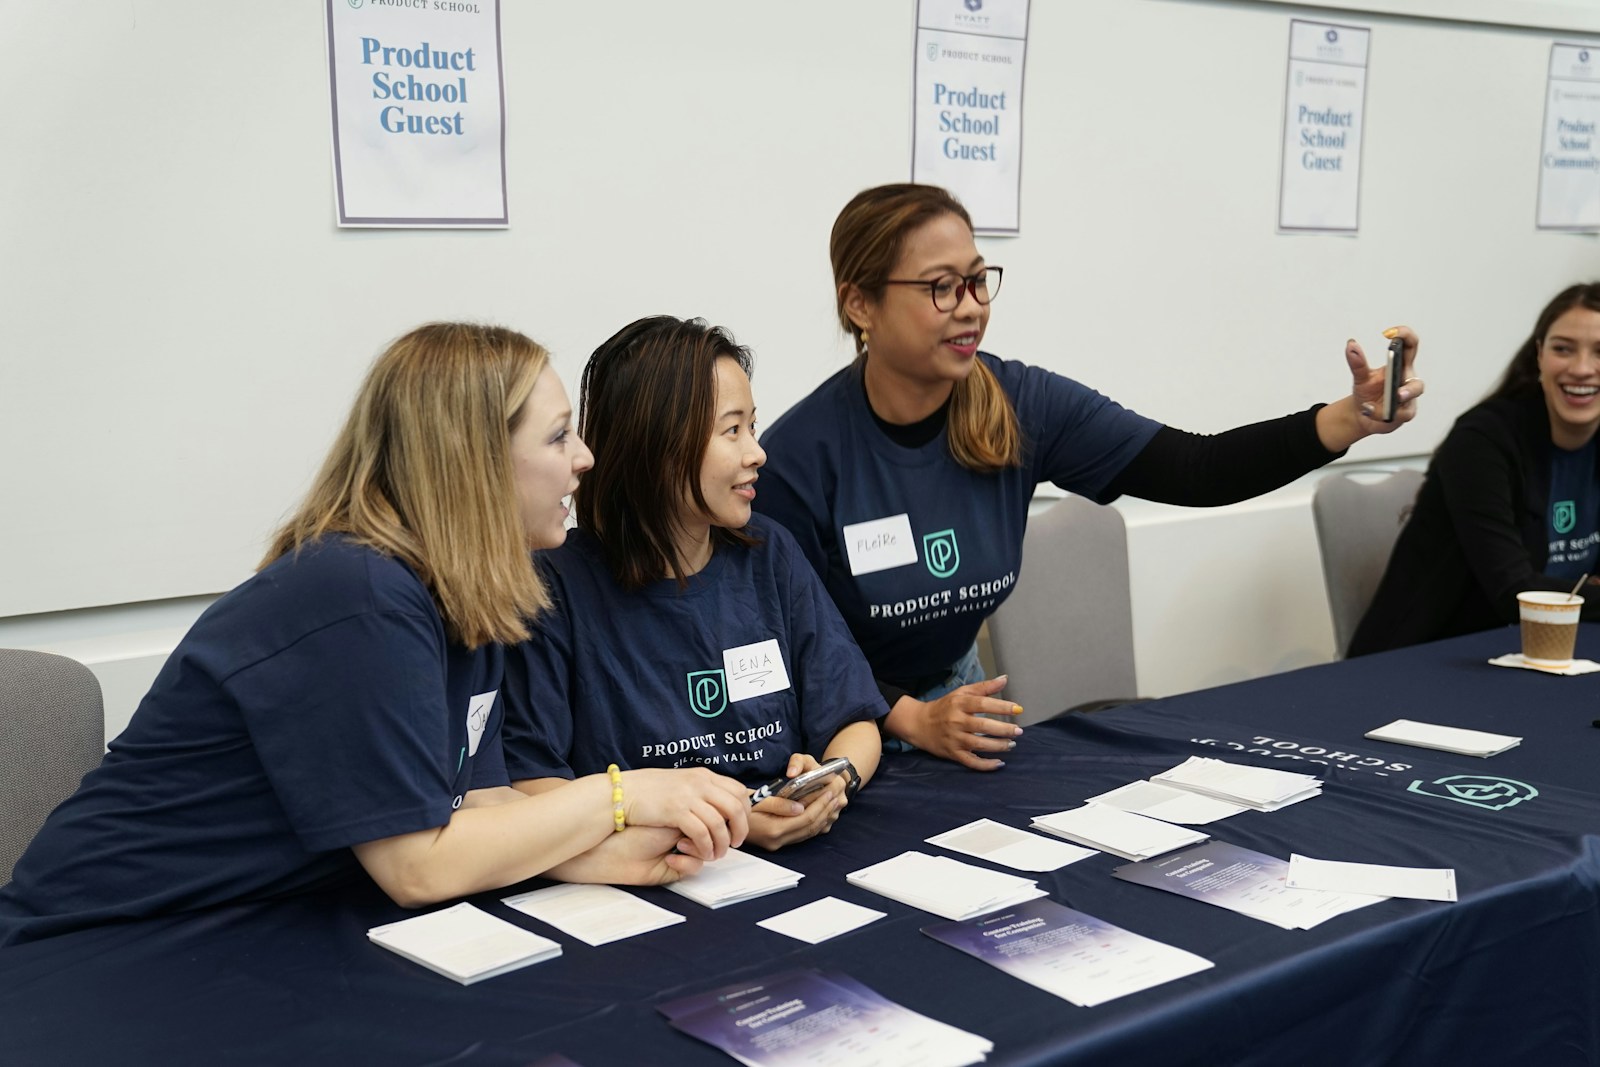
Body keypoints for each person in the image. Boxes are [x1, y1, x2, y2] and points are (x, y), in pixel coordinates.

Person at [0, 323, 751, 947]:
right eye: (559, 438)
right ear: (475, 461)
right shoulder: (357, 593)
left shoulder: (475, 584)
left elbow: (478, 802)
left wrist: (591, 855)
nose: (585, 458)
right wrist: (624, 796)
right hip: (104, 940)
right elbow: (417, 865)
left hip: (265, 926)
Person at [755, 183, 1424, 770]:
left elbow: (1198, 468)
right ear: (861, 305)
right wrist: (910, 720)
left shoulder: (1024, 406)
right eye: (940, 287)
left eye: (978, 280)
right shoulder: (801, 459)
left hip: (962, 719)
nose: (970, 307)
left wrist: (1347, 419)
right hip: (845, 736)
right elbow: (798, 652)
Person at [503, 316, 883, 851]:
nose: (757, 452)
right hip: (640, 879)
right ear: (656, 447)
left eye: (753, 426)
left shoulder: (769, 554)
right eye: (732, 431)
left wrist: (829, 780)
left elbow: (856, 722)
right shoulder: (556, 588)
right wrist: (723, 824)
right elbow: (531, 785)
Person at [1349, 284, 1600, 656]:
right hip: (1439, 659)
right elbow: (1514, 593)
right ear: (1539, 357)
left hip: (1558, 649)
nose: (1581, 368)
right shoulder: (1482, 441)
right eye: (1562, 349)